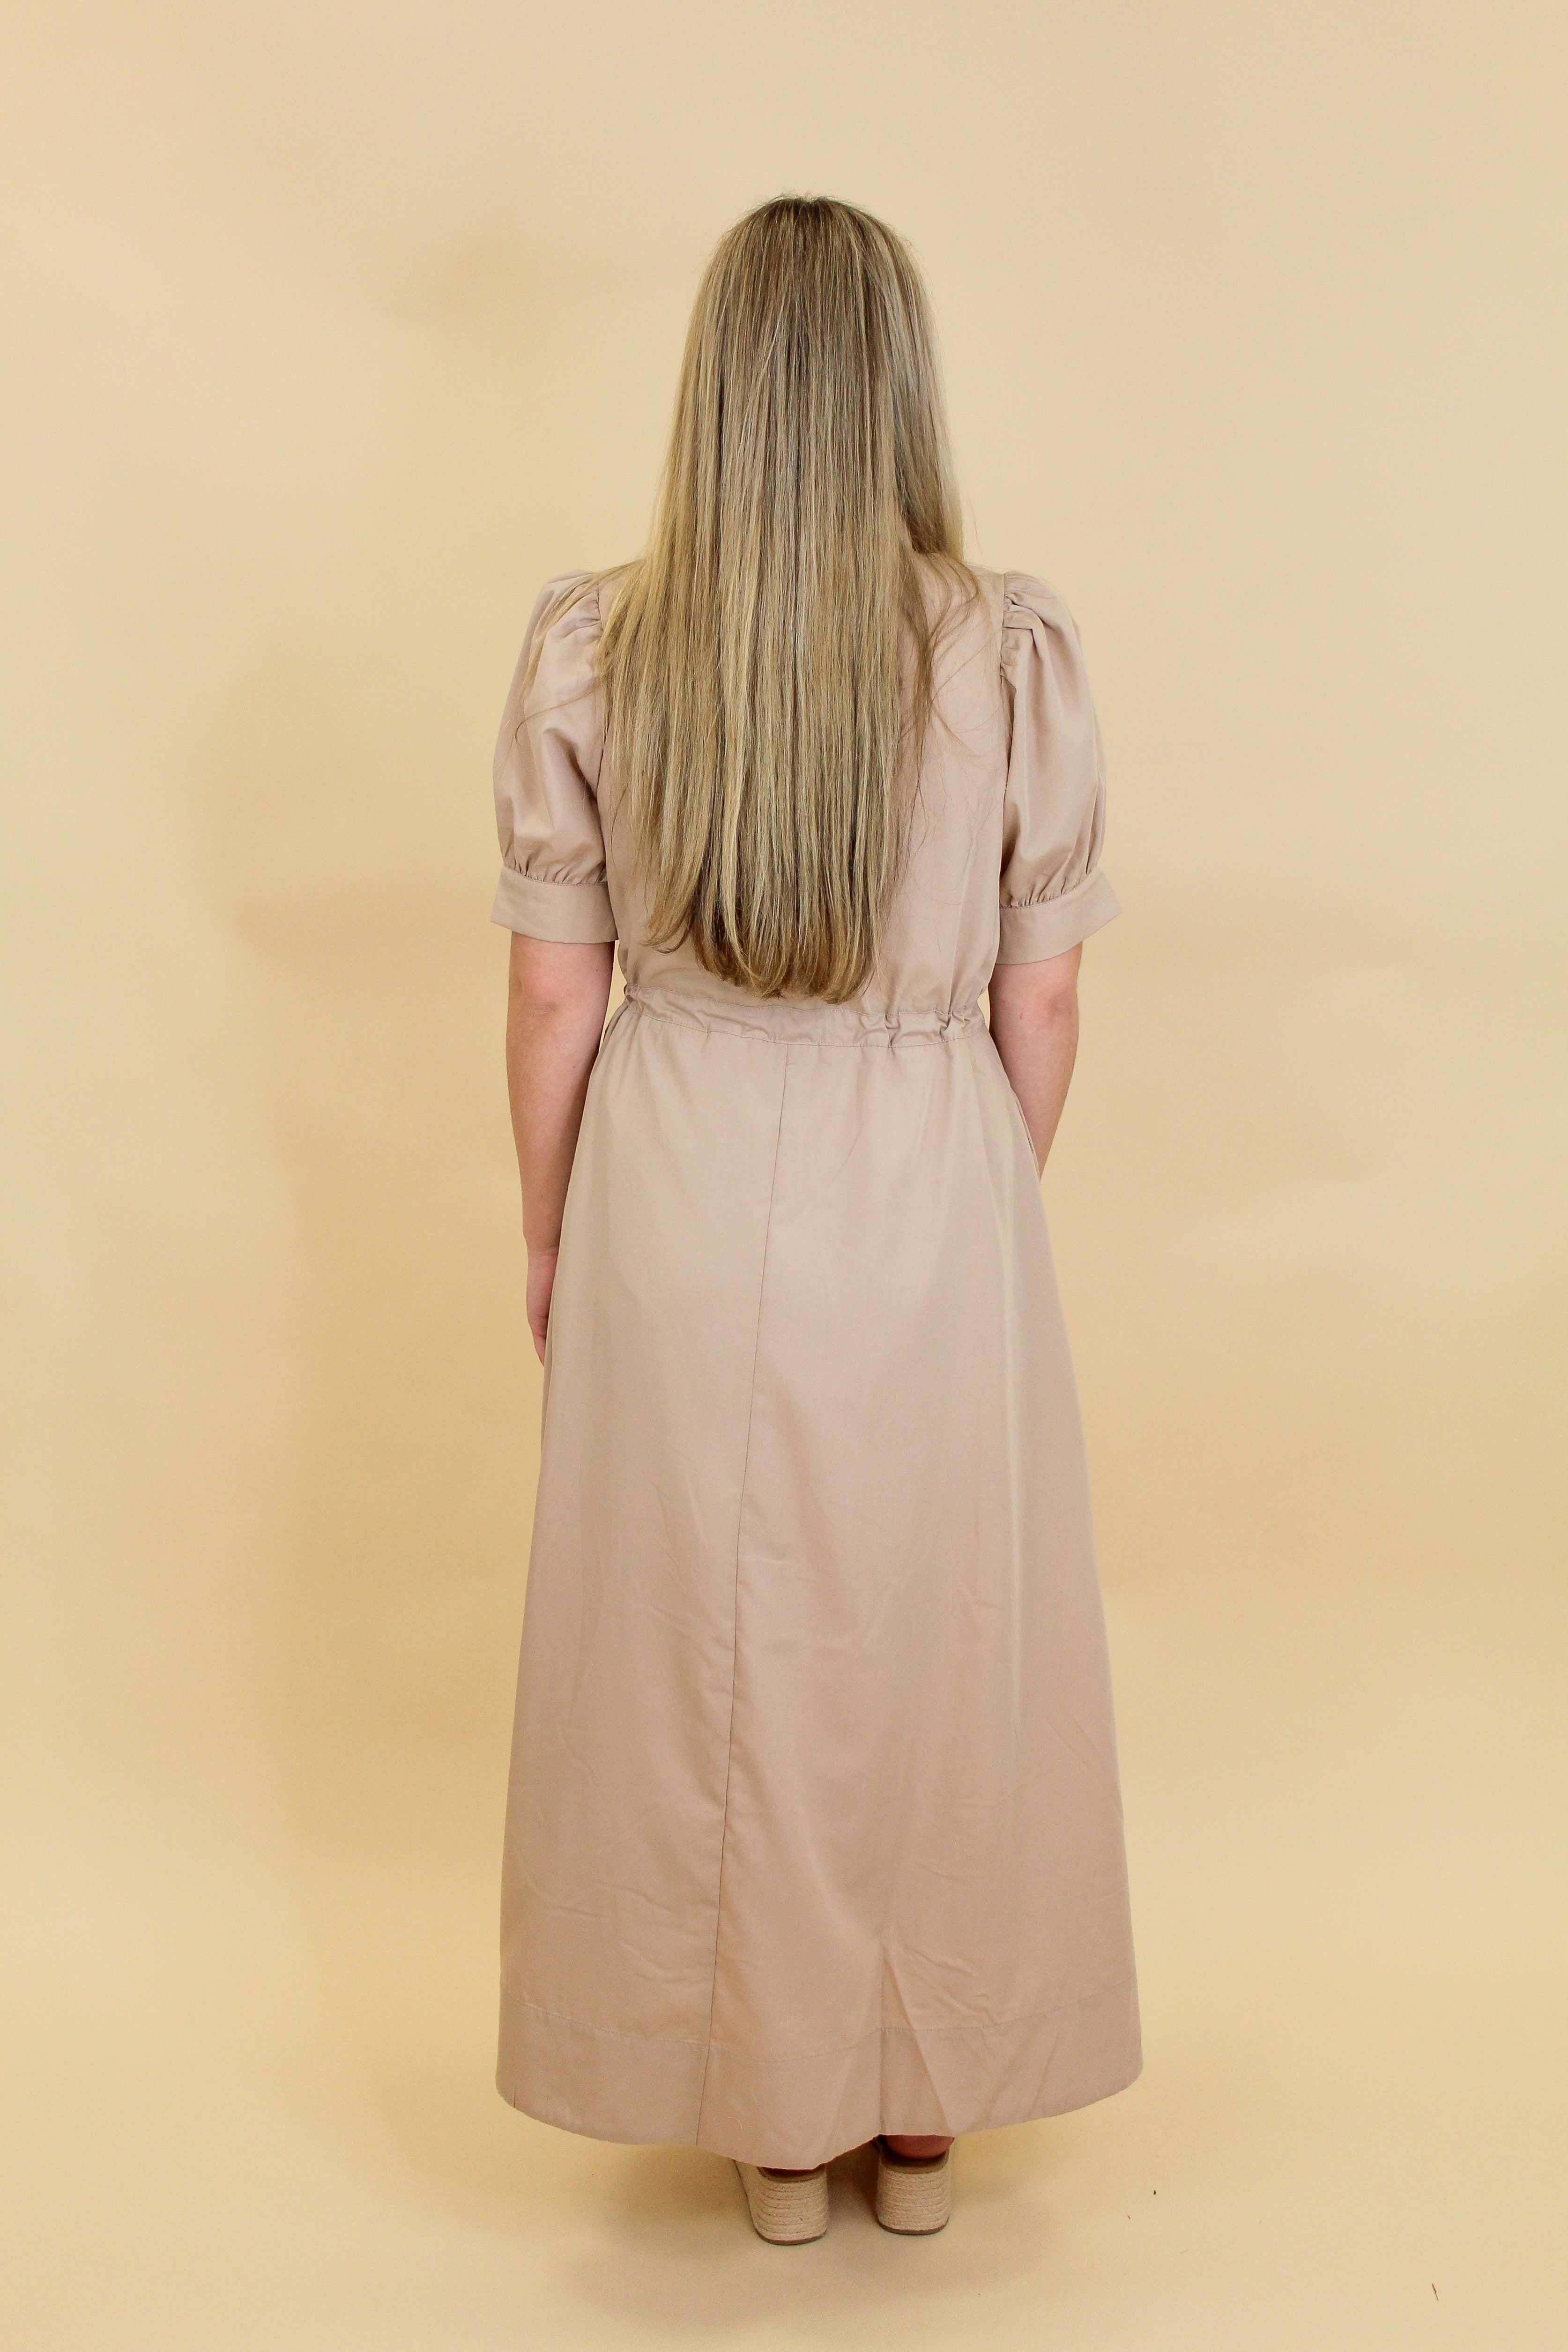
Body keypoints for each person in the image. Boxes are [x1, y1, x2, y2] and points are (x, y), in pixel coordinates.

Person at [489, 194, 1140, 2245]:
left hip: (674, 1171)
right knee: (932, 1633)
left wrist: (549, 1231)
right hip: (928, 1163)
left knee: (714, 1650)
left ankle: (772, 2134)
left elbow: (554, 994)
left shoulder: (599, 643)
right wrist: (971, 1201)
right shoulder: (1005, 647)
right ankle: (921, 2120)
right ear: (897, 385)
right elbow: (1043, 1000)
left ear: (717, 389)